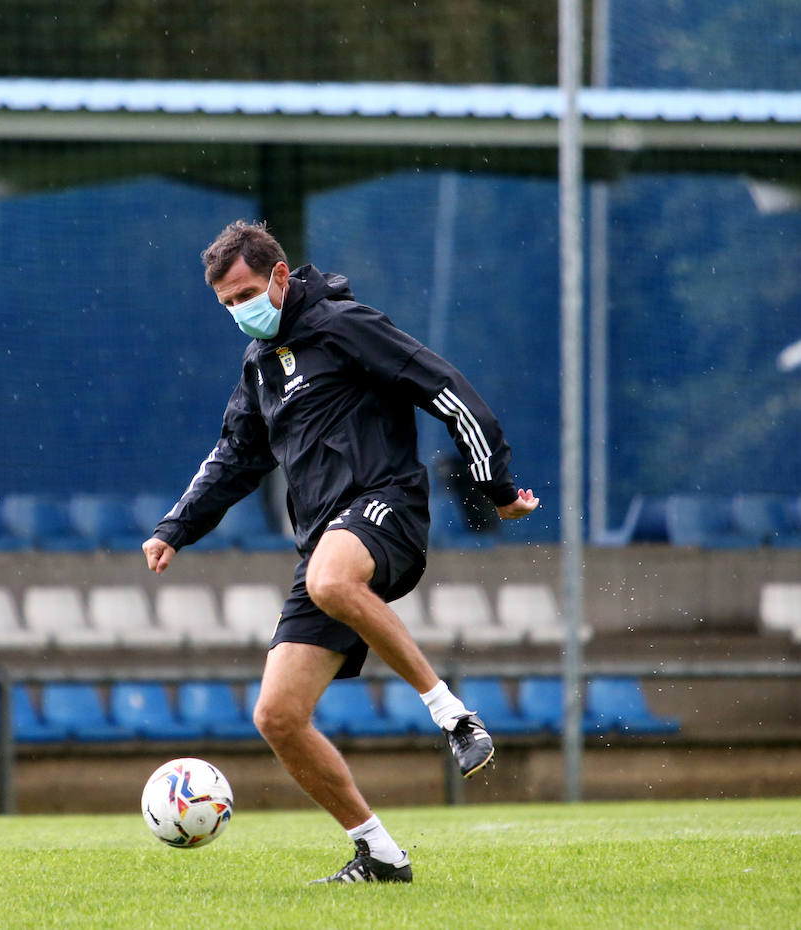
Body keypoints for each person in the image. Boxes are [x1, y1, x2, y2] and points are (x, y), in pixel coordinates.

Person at [141, 220, 539, 885]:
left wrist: (493, 487)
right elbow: (236, 458)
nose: (241, 312)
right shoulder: (261, 366)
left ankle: (455, 717)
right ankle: (378, 853)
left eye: (246, 294)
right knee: (277, 716)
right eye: (227, 305)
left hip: (389, 509)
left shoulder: (345, 326)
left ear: (277, 275)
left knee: (329, 578)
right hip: (327, 545)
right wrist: (175, 527)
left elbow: (449, 392)